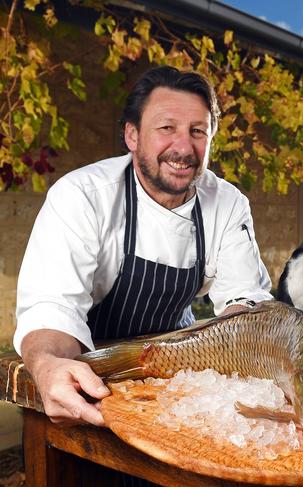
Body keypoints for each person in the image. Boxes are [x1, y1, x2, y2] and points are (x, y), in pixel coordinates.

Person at [14, 66, 273, 427]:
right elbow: (52, 306)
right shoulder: (83, 196)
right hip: (91, 382)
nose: (184, 148)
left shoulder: (227, 203)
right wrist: (48, 365)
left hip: (177, 377)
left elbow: (245, 303)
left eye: (198, 132)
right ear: (132, 135)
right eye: (167, 128)